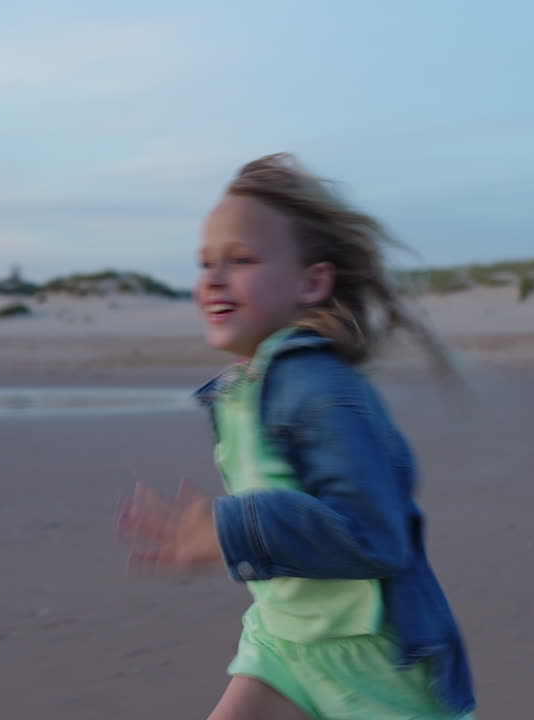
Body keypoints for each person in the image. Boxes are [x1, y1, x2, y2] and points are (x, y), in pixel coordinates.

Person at [117, 153, 475, 719]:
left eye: (241, 260)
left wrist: (233, 529)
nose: (212, 278)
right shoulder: (250, 387)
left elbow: (374, 533)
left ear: (313, 282)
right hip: (284, 642)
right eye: (204, 262)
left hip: (374, 668)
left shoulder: (319, 387)